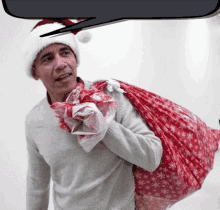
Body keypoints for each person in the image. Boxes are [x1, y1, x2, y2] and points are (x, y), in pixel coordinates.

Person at [22, 19, 163, 210]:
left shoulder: (110, 96)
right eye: (47, 58)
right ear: (35, 72)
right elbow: (36, 186)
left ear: (76, 59)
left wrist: (105, 126)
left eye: (65, 52)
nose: (61, 64)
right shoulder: (34, 121)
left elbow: (152, 156)